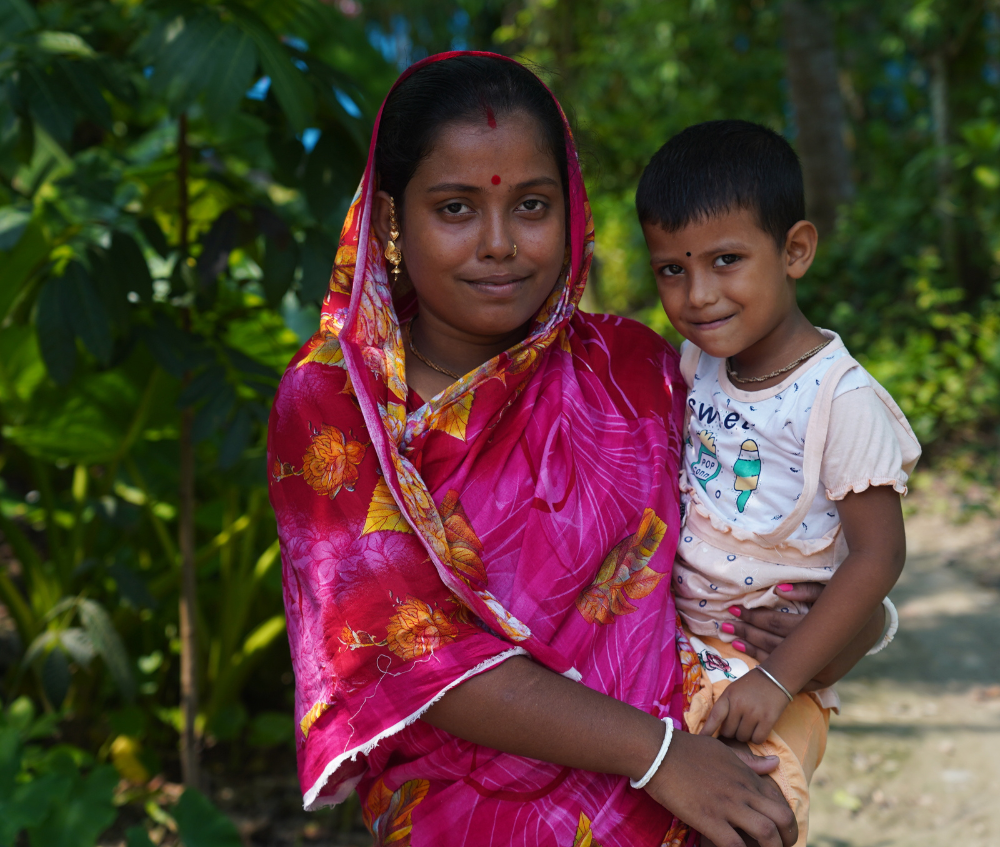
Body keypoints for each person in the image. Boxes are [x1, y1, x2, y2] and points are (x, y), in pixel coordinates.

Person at [268, 55, 885, 847]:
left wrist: (854, 626)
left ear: (574, 211)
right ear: (390, 220)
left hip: (689, 810)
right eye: (455, 208)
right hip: (469, 816)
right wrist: (659, 757)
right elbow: (404, 649)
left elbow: (756, 550)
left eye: (532, 205)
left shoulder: (637, 372)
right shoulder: (335, 401)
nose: (499, 244)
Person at [636, 120, 921, 846]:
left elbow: (879, 557)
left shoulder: (838, 398)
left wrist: (779, 679)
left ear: (795, 250)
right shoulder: (695, 364)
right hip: (674, 653)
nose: (698, 295)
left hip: (776, 667)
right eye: (672, 269)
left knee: (754, 821)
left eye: (727, 260)